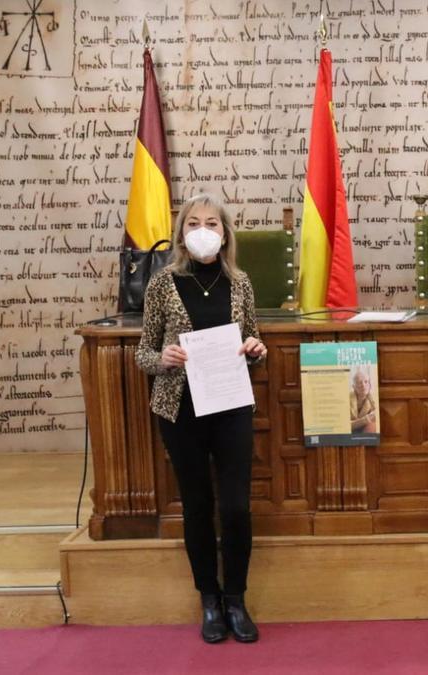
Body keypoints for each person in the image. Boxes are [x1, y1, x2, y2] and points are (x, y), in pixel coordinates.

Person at [135, 193, 267, 644]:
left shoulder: (241, 282)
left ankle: (236, 599)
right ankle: (208, 600)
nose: (203, 229)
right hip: (181, 408)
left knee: (234, 508)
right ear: (181, 233)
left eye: (212, 222)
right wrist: (164, 357)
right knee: (197, 506)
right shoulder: (162, 283)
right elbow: (143, 353)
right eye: (194, 222)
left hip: (230, 406)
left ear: (225, 233)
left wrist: (256, 350)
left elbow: (253, 341)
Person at [349, 366, 378, 434]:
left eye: (366, 382)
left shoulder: (373, 398)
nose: (363, 385)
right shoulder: (347, 399)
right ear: (354, 387)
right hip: (349, 433)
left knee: (373, 426)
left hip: (363, 431)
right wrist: (366, 419)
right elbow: (344, 425)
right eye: (359, 382)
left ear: (370, 384)